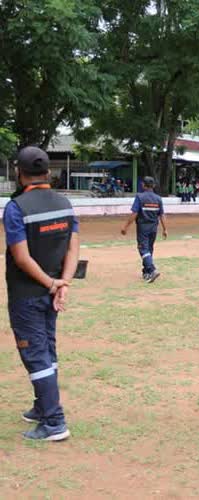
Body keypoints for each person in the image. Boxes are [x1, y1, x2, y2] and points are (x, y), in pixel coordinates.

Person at [4, 146, 79, 440]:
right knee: (46, 349)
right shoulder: (64, 204)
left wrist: (52, 284)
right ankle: (42, 406)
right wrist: (63, 283)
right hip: (52, 292)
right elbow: (73, 249)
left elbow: (22, 258)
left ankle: (53, 421)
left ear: (19, 173)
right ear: (48, 172)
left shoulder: (16, 208)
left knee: (35, 354)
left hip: (28, 294)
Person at [121, 176, 167, 283]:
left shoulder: (140, 197)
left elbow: (134, 213)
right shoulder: (158, 199)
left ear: (143, 185)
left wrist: (125, 226)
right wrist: (165, 229)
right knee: (149, 249)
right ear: (153, 185)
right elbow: (162, 215)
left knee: (143, 249)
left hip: (143, 228)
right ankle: (146, 272)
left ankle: (152, 270)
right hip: (154, 228)